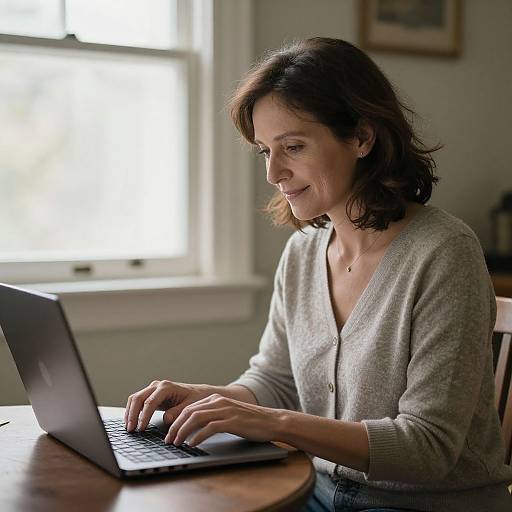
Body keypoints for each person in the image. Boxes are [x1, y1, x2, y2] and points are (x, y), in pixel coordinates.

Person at [124, 38, 512, 511]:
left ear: (362, 138)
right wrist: (208, 398)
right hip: (314, 489)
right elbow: (276, 380)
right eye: (264, 150)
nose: (273, 173)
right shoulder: (303, 253)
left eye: (293, 146)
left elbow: (427, 448)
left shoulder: (444, 253)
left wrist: (271, 423)